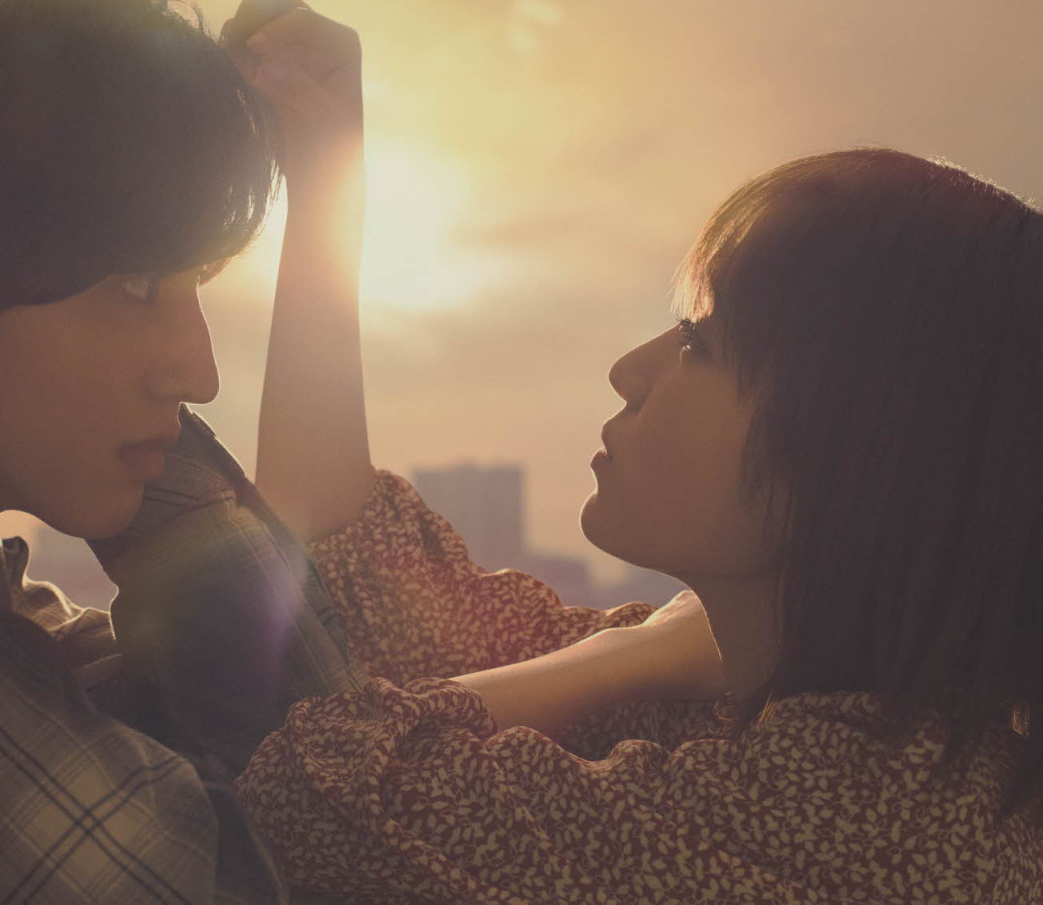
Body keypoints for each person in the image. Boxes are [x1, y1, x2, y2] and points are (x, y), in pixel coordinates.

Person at [229, 148, 1043, 901]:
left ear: (860, 448)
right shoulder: (804, 723)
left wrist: (627, 655)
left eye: (698, 343)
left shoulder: (856, 825)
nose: (628, 371)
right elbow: (357, 568)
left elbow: (305, 787)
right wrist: (325, 150)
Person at [0, 0, 366, 901]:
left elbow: (288, 760)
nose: (200, 373)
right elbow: (300, 853)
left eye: (196, 285)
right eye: (135, 284)